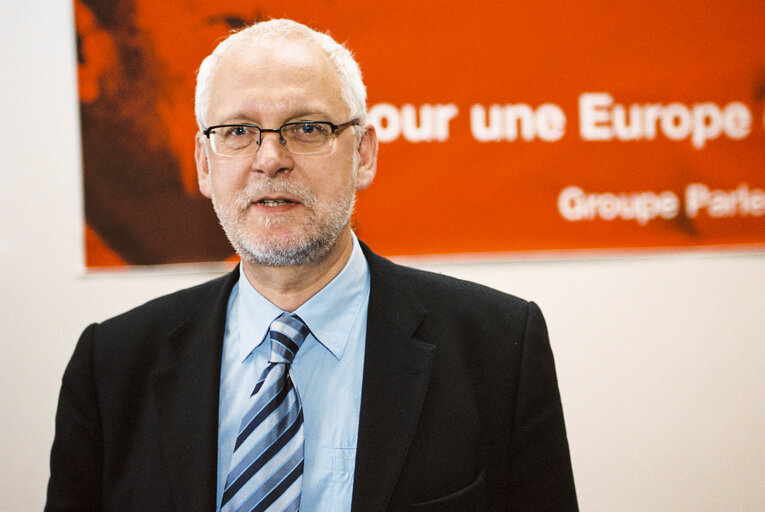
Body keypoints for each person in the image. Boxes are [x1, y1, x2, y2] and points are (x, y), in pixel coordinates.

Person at [46, 18, 578, 512]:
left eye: (306, 128)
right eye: (237, 131)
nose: (270, 157)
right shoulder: (111, 366)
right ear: (204, 164)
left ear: (363, 154)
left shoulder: (499, 348)